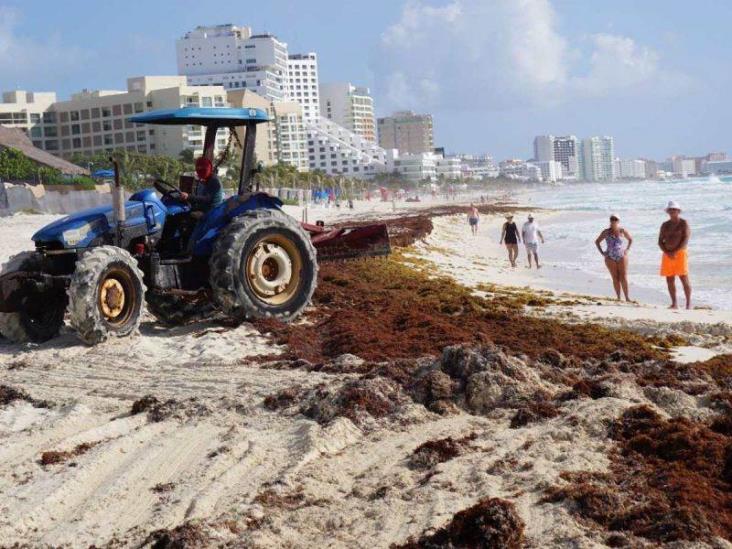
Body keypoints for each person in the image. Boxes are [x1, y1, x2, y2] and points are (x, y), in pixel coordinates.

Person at [658, 200, 692, 309]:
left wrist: (675, 252)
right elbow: (660, 241)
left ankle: (688, 303)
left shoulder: (684, 223)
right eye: (670, 209)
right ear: (668, 211)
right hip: (667, 255)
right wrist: (667, 252)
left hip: (680, 254)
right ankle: (674, 303)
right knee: (669, 279)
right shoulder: (665, 225)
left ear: (678, 211)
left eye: (674, 209)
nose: (672, 211)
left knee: (684, 278)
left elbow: (685, 239)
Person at [595, 214, 633, 301]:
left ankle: (627, 298)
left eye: (615, 219)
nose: (613, 221)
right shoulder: (606, 232)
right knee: (615, 277)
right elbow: (597, 241)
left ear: (618, 221)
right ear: (610, 221)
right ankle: (618, 297)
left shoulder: (622, 231)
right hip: (610, 257)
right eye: (612, 219)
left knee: (623, 277)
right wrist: (602, 252)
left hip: (621, 255)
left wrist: (627, 249)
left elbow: (630, 239)